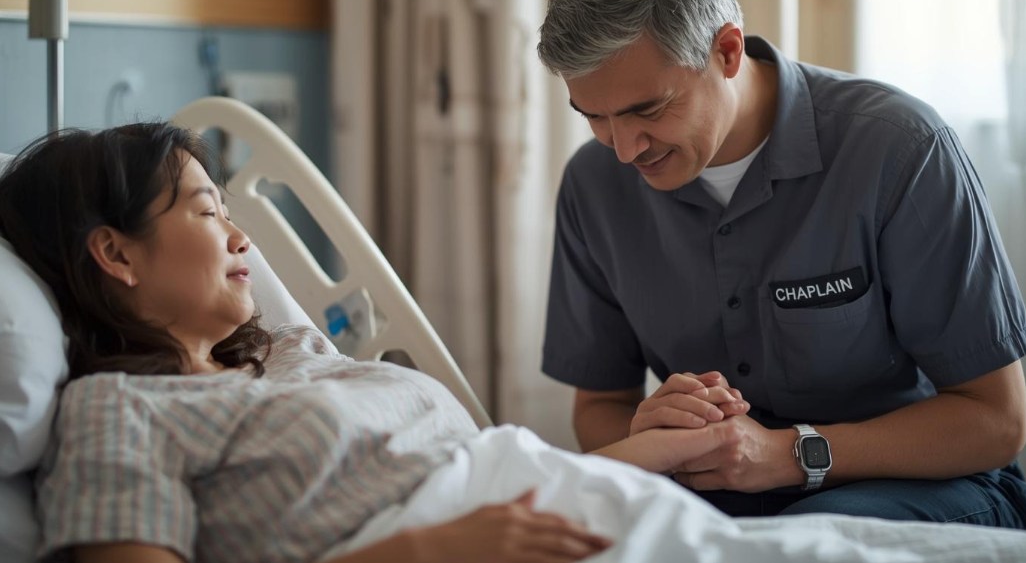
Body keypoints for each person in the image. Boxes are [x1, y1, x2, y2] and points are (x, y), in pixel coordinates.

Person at [12, 123, 1025, 563]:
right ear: (117, 252)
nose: (241, 235)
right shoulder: (121, 412)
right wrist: (426, 552)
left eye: (234, 206)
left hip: (604, 516)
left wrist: (666, 444)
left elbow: (509, 475)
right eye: (203, 209)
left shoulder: (284, 357)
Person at [537, 0, 1026, 526]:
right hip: (712, 499)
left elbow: (996, 421)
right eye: (595, 117)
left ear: (727, 51)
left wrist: (787, 454)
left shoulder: (901, 150)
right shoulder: (593, 185)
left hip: (919, 486)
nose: (624, 149)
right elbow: (601, 407)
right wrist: (648, 435)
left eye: (648, 110)